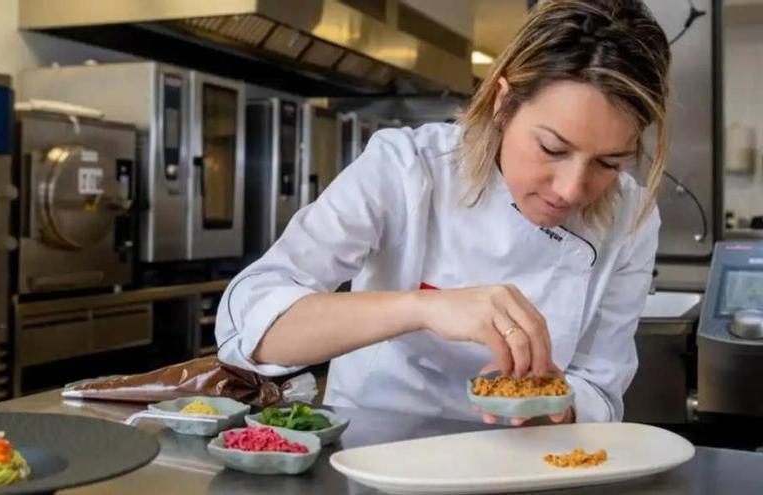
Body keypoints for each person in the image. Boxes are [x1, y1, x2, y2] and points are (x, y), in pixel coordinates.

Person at [215, 0, 671, 425]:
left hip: (525, 464)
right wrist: (425, 307)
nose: (572, 189)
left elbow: (600, 389)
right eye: (552, 148)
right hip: (375, 452)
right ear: (502, 102)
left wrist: (548, 403)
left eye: (609, 163)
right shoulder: (409, 168)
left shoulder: (631, 217)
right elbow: (251, 328)